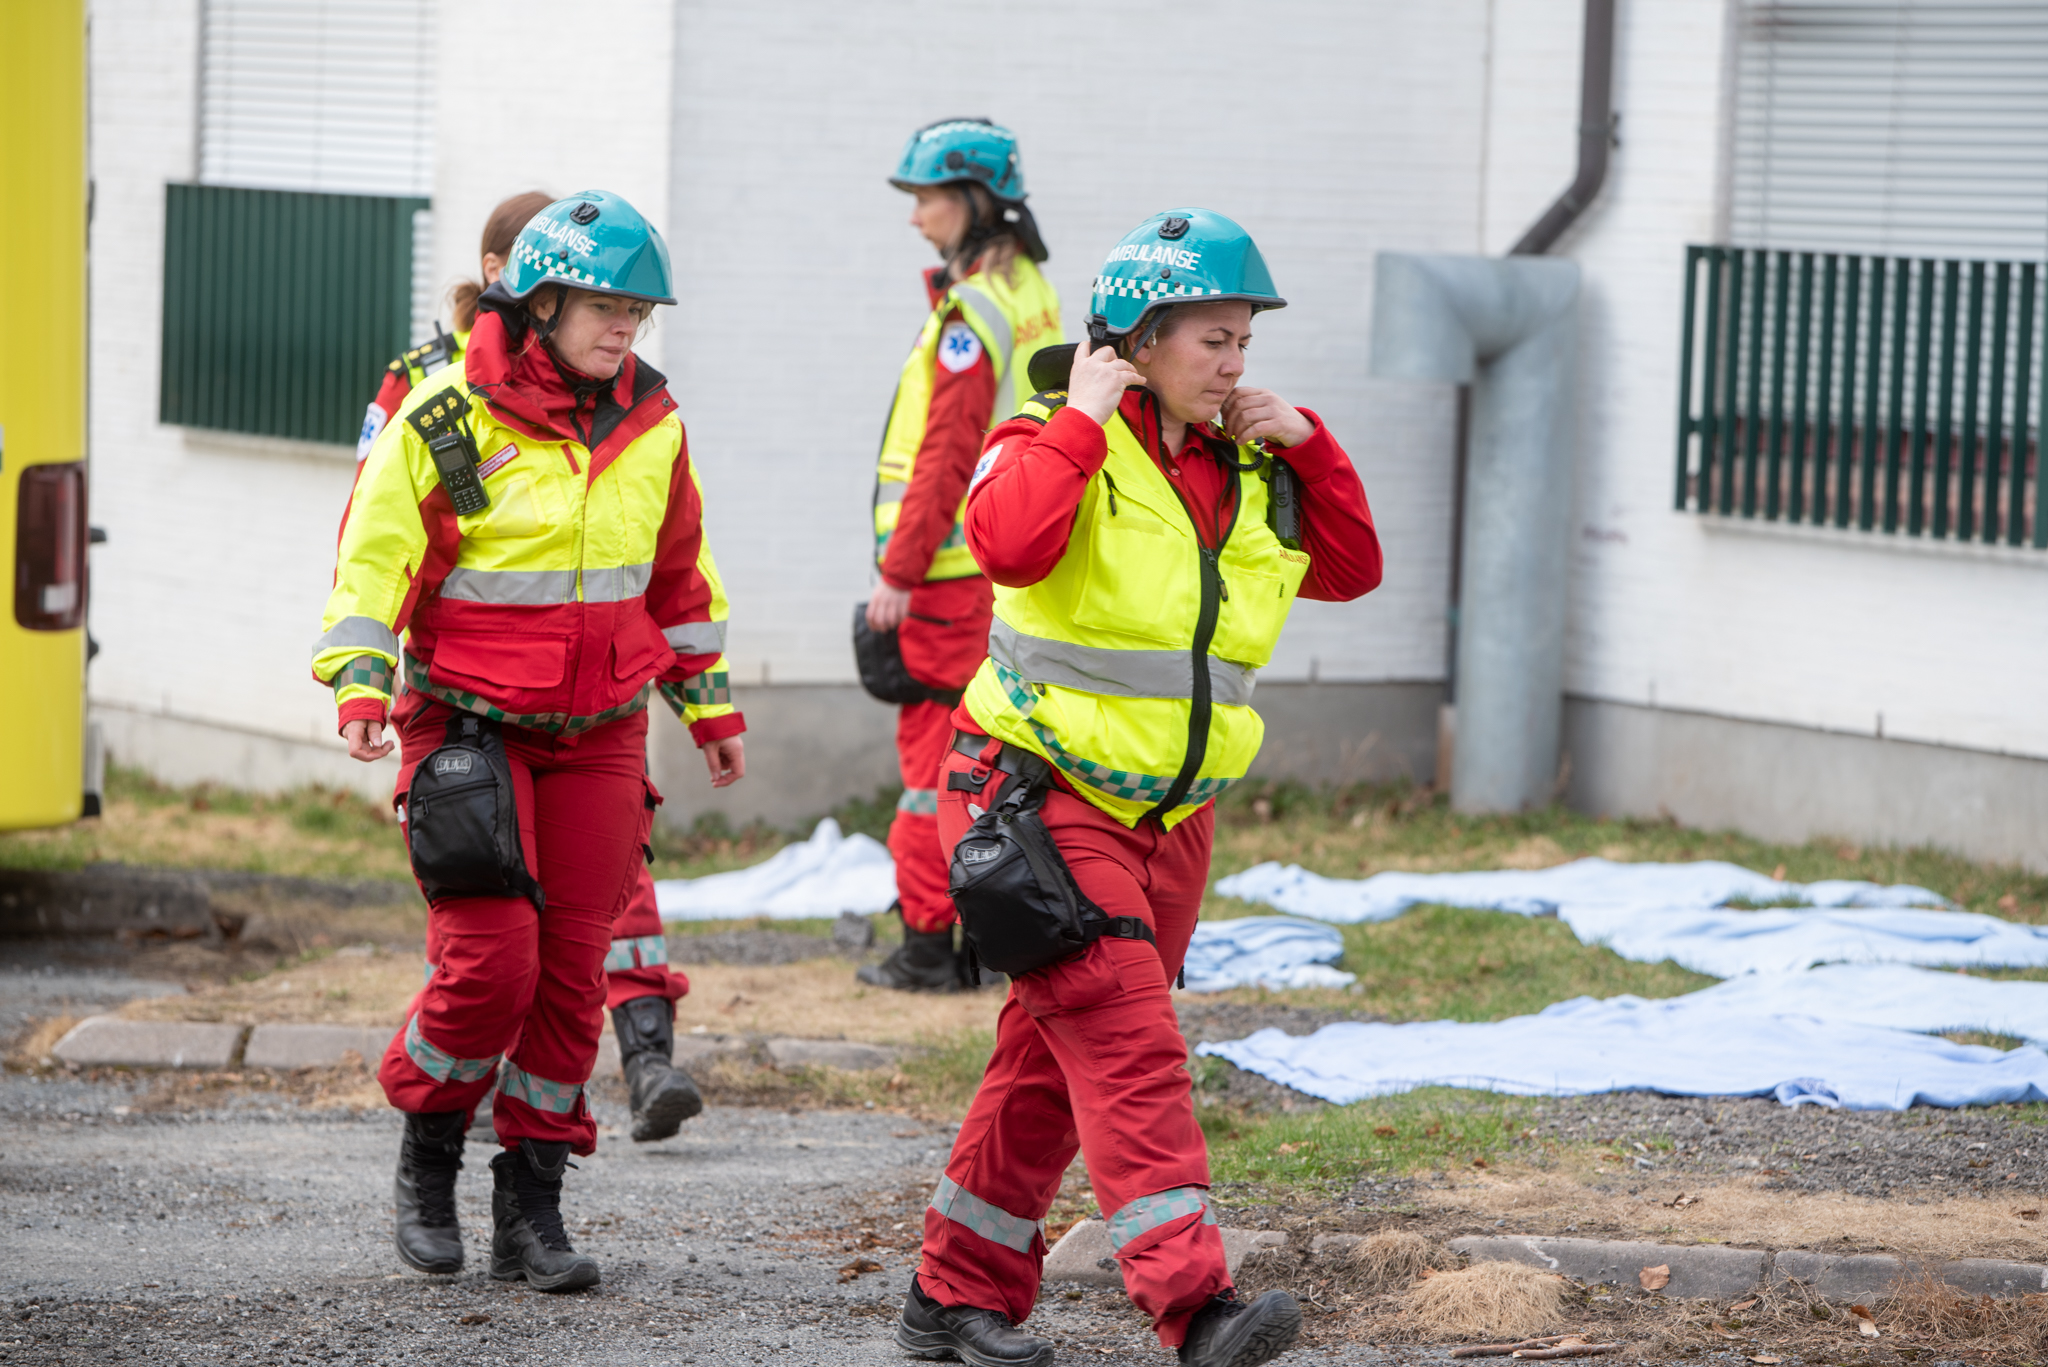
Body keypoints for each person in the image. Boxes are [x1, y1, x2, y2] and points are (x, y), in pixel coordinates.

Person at [888, 209, 1384, 1367]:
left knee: (1048, 1059)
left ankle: (948, 1296)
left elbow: (1352, 571)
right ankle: (1193, 1304)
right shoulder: (1048, 434)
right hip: (1035, 791)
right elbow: (1006, 543)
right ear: (1137, 338)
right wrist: (1084, 415)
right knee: (1125, 1038)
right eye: (1211, 338)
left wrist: (1308, 443)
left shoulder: (1251, 465)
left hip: (1170, 816)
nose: (1233, 362)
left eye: (1242, 341)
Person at [312, 191, 745, 1293]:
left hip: (599, 734)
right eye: (606, 307)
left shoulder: (654, 422)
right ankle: (427, 1149)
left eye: (638, 313)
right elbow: (371, 563)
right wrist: (360, 679)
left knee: (566, 977)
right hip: (468, 729)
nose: (624, 331)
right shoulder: (444, 417)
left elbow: (678, 574)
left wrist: (707, 703)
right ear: (540, 300)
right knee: (490, 964)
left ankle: (531, 1207)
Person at [858, 118, 1061, 992]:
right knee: (986, 757)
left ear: (976, 201)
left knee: (927, 765)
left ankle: (927, 946)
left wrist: (896, 574)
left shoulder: (972, 310)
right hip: (1003, 565)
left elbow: (946, 452)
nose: (916, 218)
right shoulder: (1029, 290)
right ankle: (983, 933)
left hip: (946, 575)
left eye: (927, 198)